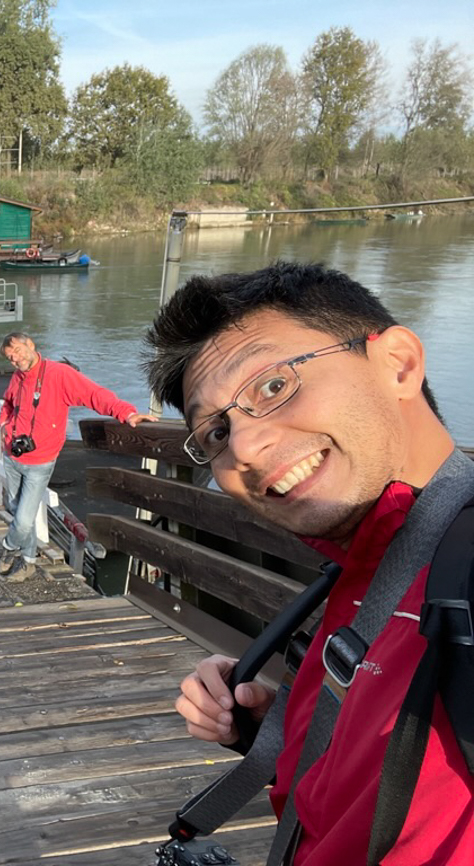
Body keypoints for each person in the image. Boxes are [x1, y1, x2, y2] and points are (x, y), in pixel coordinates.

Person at [145, 261, 472, 864]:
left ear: (399, 364)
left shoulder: (461, 572)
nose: (245, 447)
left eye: (272, 386)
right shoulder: (363, 574)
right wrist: (282, 722)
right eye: (216, 433)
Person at [0, 332, 154, 581]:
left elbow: (94, 394)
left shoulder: (59, 374)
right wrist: (4, 423)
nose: (15, 359)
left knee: (23, 521)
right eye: (10, 357)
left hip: (40, 462)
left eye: (17, 351)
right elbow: (8, 403)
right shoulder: (18, 376)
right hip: (12, 456)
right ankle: (27, 562)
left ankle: (9, 547)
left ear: (31, 345)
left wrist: (126, 413)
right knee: (19, 513)